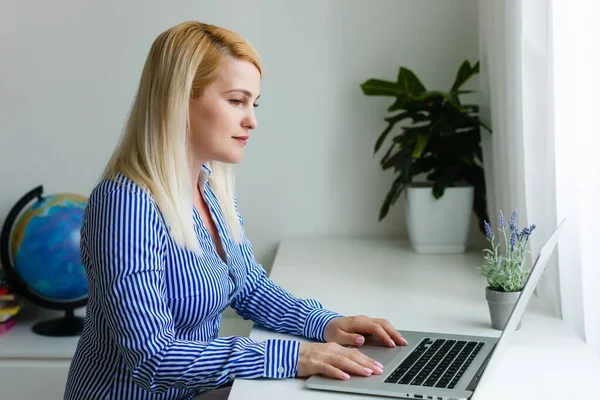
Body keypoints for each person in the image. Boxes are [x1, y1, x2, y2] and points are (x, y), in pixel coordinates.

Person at [63, 21, 407, 400]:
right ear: (180, 99)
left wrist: (328, 325)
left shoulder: (209, 187)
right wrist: (294, 355)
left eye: (253, 104)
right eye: (236, 100)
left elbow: (249, 288)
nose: (252, 120)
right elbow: (153, 356)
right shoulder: (124, 205)